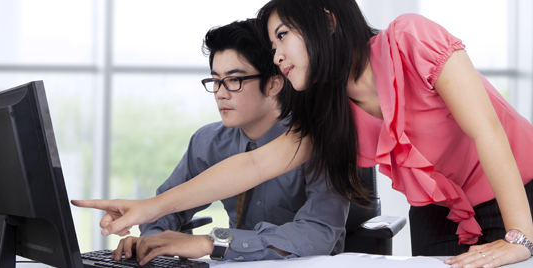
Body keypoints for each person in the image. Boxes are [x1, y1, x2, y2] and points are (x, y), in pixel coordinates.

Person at [73, 1, 533, 267]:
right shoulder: (331, 109)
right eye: (272, 46)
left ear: (327, 22)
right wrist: (148, 207)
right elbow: (256, 164)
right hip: (439, 212)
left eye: (283, 37)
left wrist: (519, 237)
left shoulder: (412, 37)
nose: (276, 56)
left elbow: (487, 130)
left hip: (518, 191)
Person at [74, 19, 349, 265]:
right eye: (215, 81)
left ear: (274, 84)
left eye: (234, 80)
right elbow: (166, 206)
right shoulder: (208, 142)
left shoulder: (318, 137)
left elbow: (318, 232)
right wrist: (153, 241)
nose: (220, 94)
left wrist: (214, 242)